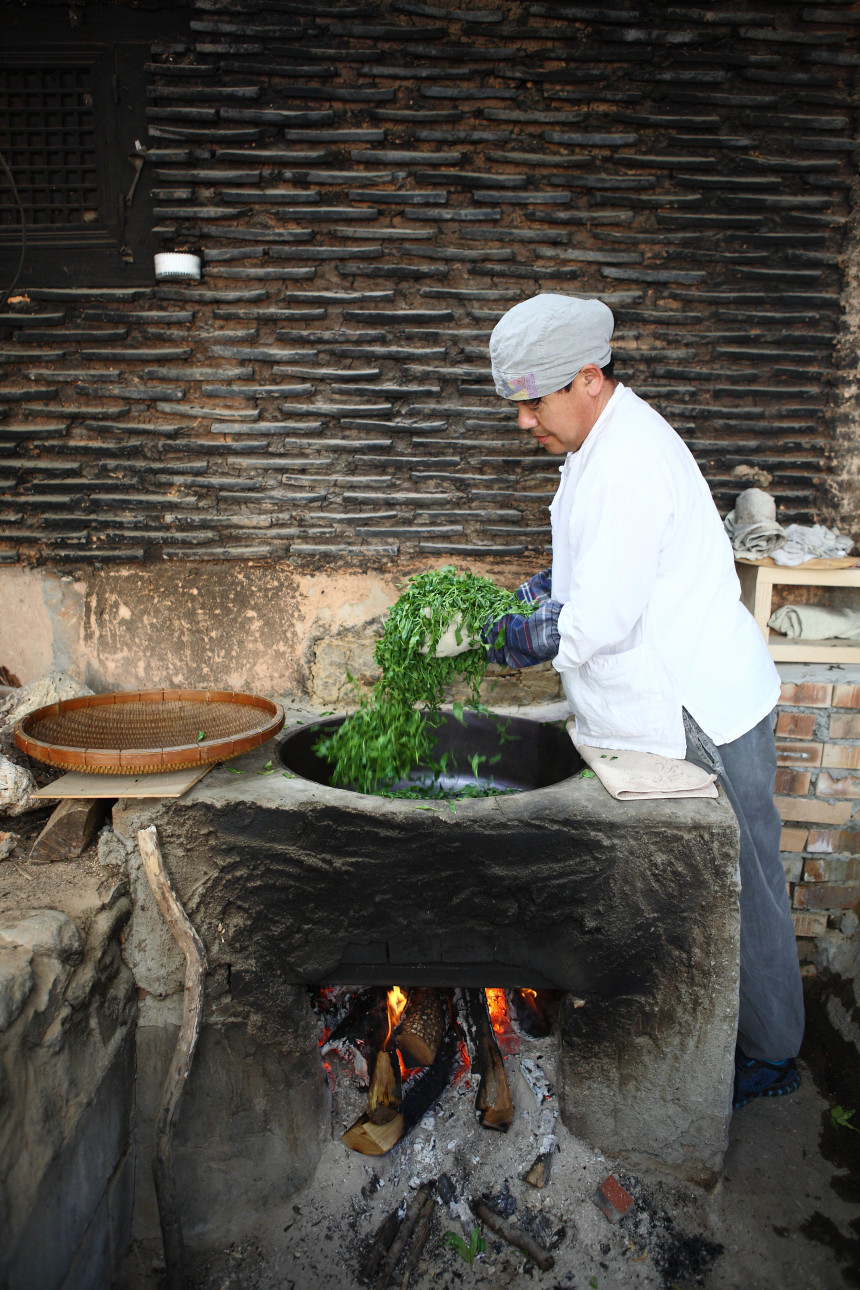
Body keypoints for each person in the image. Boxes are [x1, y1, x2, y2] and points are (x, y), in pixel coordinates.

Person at [473, 293, 804, 1108]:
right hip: (674, 692)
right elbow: (597, 568)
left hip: (698, 710)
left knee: (740, 884)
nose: (524, 423)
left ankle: (769, 1053)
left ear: (587, 377)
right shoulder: (598, 443)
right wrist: (540, 589)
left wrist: (515, 635)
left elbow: (599, 621)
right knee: (730, 880)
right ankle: (741, 1035)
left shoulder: (628, 460)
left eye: (533, 402)